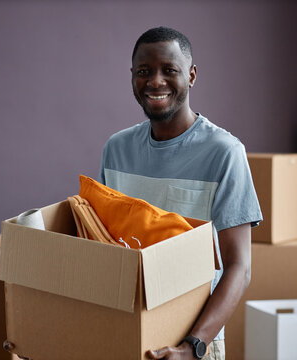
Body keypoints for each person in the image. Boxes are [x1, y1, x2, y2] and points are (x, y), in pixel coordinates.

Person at [98, 26, 262, 360]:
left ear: (191, 75)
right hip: (125, 330)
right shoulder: (116, 149)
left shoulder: (224, 152)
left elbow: (239, 268)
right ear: (132, 77)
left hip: (193, 340)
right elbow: (101, 245)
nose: (155, 82)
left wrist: (193, 347)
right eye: (144, 71)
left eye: (169, 70)